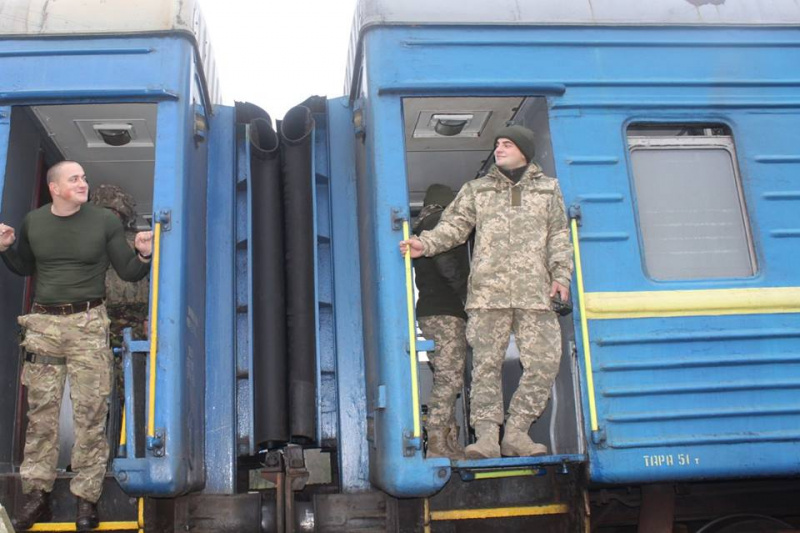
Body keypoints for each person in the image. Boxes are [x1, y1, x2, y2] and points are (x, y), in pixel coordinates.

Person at [400, 125, 573, 459]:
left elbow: (558, 237)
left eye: (507, 144)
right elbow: (453, 226)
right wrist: (426, 243)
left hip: (535, 295)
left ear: (525, 150)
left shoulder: (549, 190)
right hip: (487, 296)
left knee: (544, 363)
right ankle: (487, 438)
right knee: (485, 369)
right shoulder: (477, 190)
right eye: (497, 144)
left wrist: (561, 278)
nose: (499, 148)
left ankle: (518, 432)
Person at [0, 161, 152, 531]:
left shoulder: (104, 222)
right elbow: (24, 267)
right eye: (75, 179)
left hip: (88, 324)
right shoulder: (34, 222)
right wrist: (6, 247)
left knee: (89, 415)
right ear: (54, 188)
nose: (83, 183)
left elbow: (128, 271)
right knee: (42, 416)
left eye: (84, 178)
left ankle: (87, 500)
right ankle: (38, 496)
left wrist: (144, 254)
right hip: (44, 324)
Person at [413, 184, 470, 460]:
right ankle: (437, 442)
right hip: (446, 311)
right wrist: (466, 295)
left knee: (446, 377)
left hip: (430, 310)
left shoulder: (421, 225)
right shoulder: (439, 222)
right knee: (450, 378)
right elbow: (446, 264)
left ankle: (449, 443)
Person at [90, 184, 150, 349]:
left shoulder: (140, 241)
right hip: (95, 315)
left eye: (114, 213)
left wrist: (150, 318)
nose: (109, 217)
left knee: (131, 368)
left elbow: (158, 281)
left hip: (134, 316)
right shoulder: (85, 240)